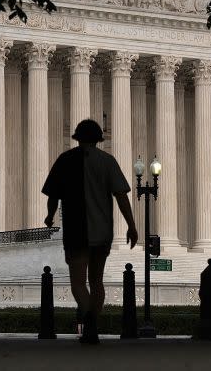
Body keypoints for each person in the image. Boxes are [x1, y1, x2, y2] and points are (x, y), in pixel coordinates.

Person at [41, 119, 138, 344]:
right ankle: (93, 321)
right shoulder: (107, 161)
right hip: (102, 230)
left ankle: (89, 321)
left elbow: (53, 195)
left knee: (77, 282)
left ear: (77, 138)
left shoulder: (65, 160)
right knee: (97, 282)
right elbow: (121, 196)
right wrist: (131, 225)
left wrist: (49, 215)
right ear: (98, 139)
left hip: (76, 230)